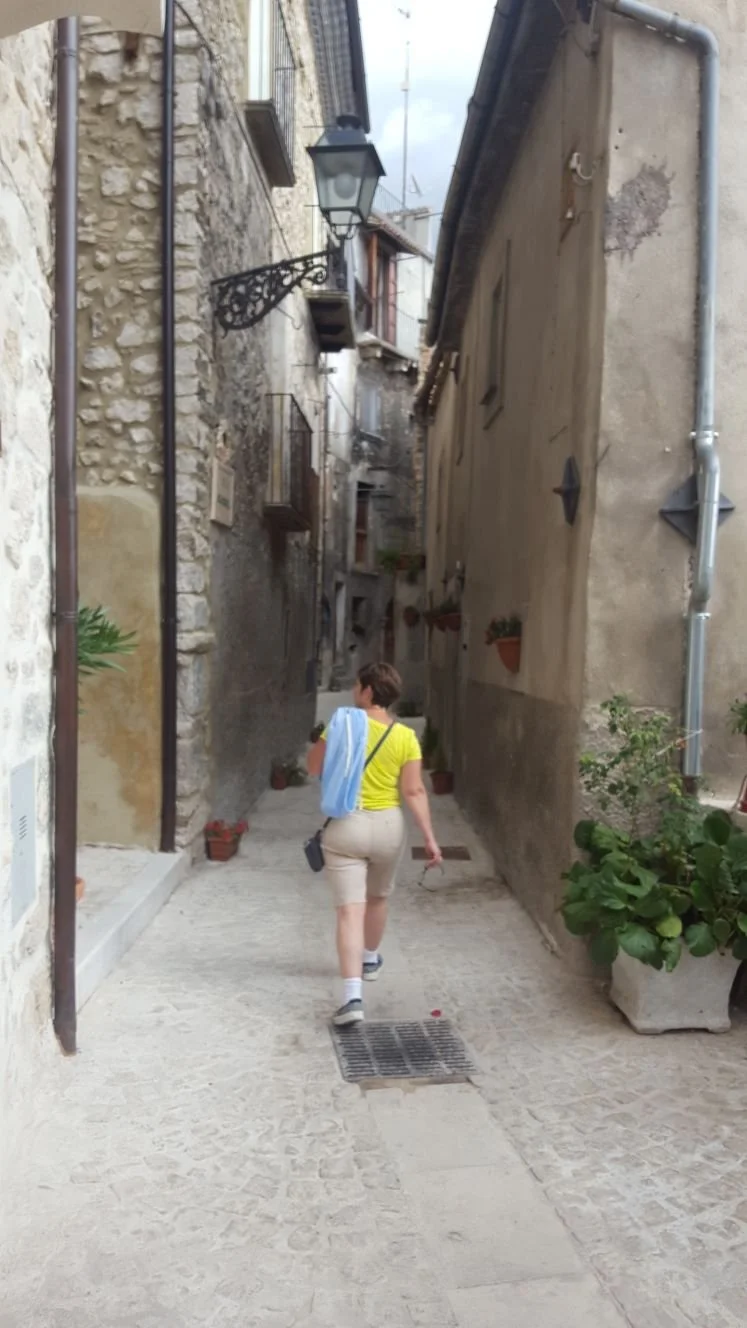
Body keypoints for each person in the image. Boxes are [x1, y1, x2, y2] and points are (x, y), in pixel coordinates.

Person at [307, 662, 442, 1026]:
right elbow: (414, 791)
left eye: (357, 685)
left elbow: (314, 767)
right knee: (378, 898)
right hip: (387, 827)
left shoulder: (341, 724)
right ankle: (370, 959)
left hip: (346, 825)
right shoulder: (406, 737)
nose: (354, 690)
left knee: (349, 911)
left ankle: (352, 998)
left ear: (368, 691)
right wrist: (430, 838)